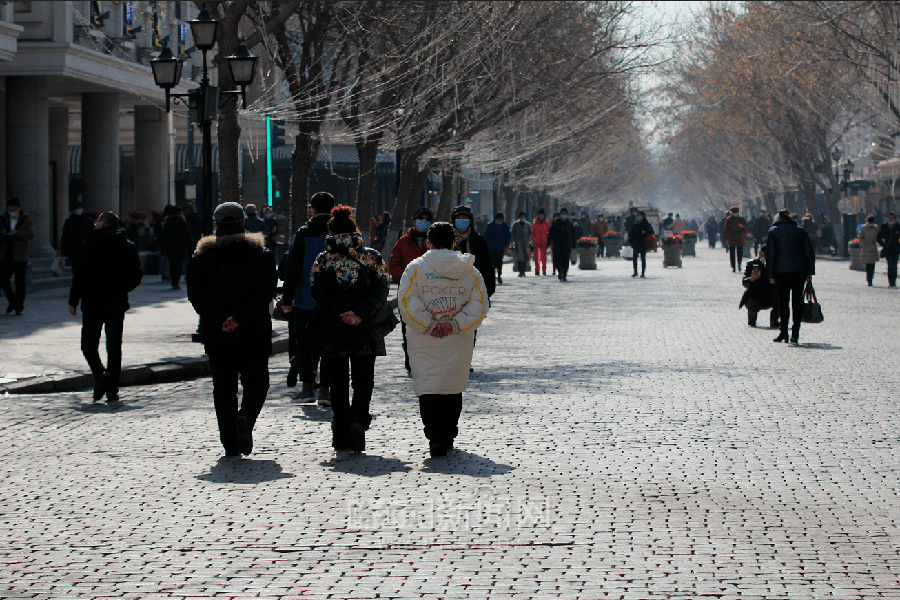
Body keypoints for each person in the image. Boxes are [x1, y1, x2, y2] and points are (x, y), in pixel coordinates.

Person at [186, 202, 277, 457]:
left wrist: (220, 318)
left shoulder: (201, 258)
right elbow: (265, 292)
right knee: (257, 381)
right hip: (254, 330)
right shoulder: (262, 255)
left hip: (218, 332)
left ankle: (229, 443)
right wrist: (240, 317)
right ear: (243, 223)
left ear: (215, 225)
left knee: (223, 387)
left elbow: (196, 294)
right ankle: (246, 416)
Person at [399, 222, 489, 457]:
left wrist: (429, 323)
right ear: (453, 242)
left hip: (423, 340)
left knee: (428, 387)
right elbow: (479, 302)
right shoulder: (469, 269)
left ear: (428, 242)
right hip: (457, 339)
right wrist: (456, 323)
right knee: (452, 386)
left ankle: (435, 436)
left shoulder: (415, 268)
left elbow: (407, 300)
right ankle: (448, 433)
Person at [309, 206, 394, 452]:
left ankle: (340, 426)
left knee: (337, 380)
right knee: (363, 379)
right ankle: (358, 419)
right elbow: (382, 288)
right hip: (366, 327)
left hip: (332, 326)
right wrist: (360, 313)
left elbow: (317, 291)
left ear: (331, 231)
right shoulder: (373, 257)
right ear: (355, 230)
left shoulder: (323, 259)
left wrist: (339, 313)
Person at [68, 211, 143, 404]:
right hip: (116, 302)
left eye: (98, 221)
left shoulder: (90, 244)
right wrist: (122, 288)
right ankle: (112, 390)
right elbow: (137, 275)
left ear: (103, 224)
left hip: (93, 302)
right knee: (114, 346)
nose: (95, 224)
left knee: (88, 344)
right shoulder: (127, 246)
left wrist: (73, 299)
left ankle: (102, 375)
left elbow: (81, 275)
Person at [281, 192, 334, 403]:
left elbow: (292, 267)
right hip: (331, 300)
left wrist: (287, 298)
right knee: (328, 343)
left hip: (305, 297)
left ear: (312, 210)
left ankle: (307, 387)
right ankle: (326, 390)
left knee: (303, 342)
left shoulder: (304, 233)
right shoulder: (338, 233)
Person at [389, 207, 433, 371]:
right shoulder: (403, 241)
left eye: (426, 219)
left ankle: (424, 357)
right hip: (407, 292)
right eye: (420, 218)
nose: (423, 222)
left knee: (426, 326)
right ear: (414, 221)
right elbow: (393, 265)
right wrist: (407, 277)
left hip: (429, 292)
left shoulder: (433, 241)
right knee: (408, 326)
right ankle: (410, 357)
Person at [766, 209, 815, 345]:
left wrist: (770, 274)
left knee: (783, 302)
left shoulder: (773, 231)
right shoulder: (800, 231)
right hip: (799, 271)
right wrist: (810, 272)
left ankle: (783, 332)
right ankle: (795, 333)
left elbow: (771, 255)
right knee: (797, 301)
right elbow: (809, 253)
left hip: (781, 272)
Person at [451, 205, 496, 298]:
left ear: (470, 221)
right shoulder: (447, 240)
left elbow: (487, 266)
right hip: (451, 292)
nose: (461, 220)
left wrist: (488, 291)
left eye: (464, 218)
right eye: (458, 218)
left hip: (475, 291)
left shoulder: (478, 240)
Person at [0, 197, 34, 315]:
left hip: (20, 255)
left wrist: (17, 233)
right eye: (10, 209)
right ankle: (13, 301)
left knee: (20, 282)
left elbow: (30, 234)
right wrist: (3, 233)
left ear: (19, 209)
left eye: (14, 209)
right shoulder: (3, 219)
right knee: (3, 279)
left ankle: (19, 305)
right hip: (6, 254)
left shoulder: (26, 219)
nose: (12, 211)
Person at [739, 244, 778, 328]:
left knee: (781, 296)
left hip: (771, 295)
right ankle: (752, 319)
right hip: (755, 295)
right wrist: (751, 279)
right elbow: (744, 282)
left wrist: (771, 274)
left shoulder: (776, 265)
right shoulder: (752, 264)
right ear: (760, 253)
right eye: (765, 255)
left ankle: (774, 320)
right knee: (752, 302)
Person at [161, 205, 194, 290]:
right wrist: (191, 246)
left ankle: (173, 281)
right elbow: (187, 236)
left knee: (172, 264)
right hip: (181, 247)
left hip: (170, 247)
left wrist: (163, 248)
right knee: (178, 265)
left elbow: (164, 237)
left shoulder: (168, 223)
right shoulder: (182, 222)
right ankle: (176, 282)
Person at [60, 201, 94, 277]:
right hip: (73, 250)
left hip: (84, 249)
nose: (78, 210)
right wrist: (63, 252)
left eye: (79, 208)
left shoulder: (88, 220)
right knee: (76, 270)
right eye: (77, 208)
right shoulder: (69, 221)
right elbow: (65, 237)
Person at [548, 208, 576, 281]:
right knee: (557, 260)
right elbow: (550, 233)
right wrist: (548, 243)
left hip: (567, 245)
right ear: (560, 215)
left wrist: (574, 245)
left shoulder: (570, 223)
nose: (563, 215)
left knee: (565, 260)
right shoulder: (555, 223)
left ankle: (564, 274)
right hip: (557, 245)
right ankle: (560, 272)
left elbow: (573, 235)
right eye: (562, 214)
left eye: (565, 214)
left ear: (567, 215)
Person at [483, 212, 511, 284]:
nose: (499, 220)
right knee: (492, 262)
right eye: (498, 219)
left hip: (501, 247)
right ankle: (492, 276)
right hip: (491, 247)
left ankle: (499, 276)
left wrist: (506, 244)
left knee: (499, 262)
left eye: (500, 219)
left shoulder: (505, 226)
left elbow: (508, 236)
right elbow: (486, 235)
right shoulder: (490, 226)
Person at [628, 210, 655, 278]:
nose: (638, 217)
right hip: (635, 244)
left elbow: (652, 231)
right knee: (634, 258)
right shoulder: (635, 224)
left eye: (639, 215)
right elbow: (631, 233)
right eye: (637, 216)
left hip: (643, 243)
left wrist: (646, 232)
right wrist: (630, 241)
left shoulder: (646, 224)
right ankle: (635, 271)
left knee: (643, 258)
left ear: (642, 216)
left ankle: (642, 272)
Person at [877, 212, 900, 287]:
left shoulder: (898, 226)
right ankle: (891, 281)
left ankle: (894, 280)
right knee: (890, 265)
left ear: (894, 219)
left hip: (896, 248)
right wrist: (883, 244)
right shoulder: (884, 226)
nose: (890, 219)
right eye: (889, 217)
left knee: (895, 265)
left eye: (892, 217)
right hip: (888, 249)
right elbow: (879, 237)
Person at [724, 206, 749, 272]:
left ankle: (739, 265)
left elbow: (746, 226)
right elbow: (726, 229)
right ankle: (733, 266)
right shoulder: (729, 219)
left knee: (740, 252)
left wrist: (742, 227)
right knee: (732, 253)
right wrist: (726, 238)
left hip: (739, 237)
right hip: (731, 237)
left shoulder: (741, 219)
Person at [858, 215, 880, 287]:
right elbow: (860, 238)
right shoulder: (863, 228)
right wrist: (863, 245)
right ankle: (869, 280)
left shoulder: (876, 228)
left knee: (872, 264)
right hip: (866, 247)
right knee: (868, 264)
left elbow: (878, 237)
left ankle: (871, 278)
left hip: (873, 247)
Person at [511, 212, 532, 276]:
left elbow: (530, 233)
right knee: (519, 258)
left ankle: (523, 271)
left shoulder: (528, 224)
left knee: (525, 258)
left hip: (526, 243)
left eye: (523, 216)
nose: (522, 218)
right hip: (518, 243)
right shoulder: (515, 224)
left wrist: (529, 240)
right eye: (521, 216)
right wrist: (514, 241)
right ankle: (520, 271)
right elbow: (513, 234)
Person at [532, 210, 550, 275]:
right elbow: (533, 234)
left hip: (544, 242)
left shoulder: (547, 224)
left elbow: (549, 234)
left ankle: (544, 270)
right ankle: (537, 270)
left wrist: (548, 242)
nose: (541, 216)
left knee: (544, 257)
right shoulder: (534, 223)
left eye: (542, 215)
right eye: (540, 215)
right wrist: (533, 243)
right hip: (536, 242)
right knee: (537, 258)